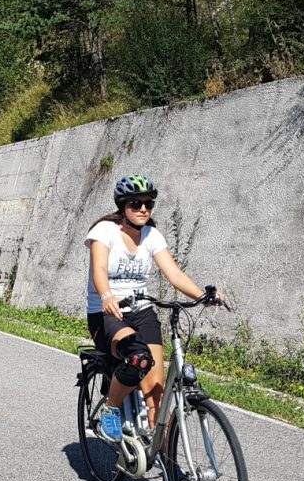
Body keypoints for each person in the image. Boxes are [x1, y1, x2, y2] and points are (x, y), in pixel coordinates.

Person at [86, 174, 224, 442]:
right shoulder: (104, 231)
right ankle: (111, 409)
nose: (143, 209)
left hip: (142, 311)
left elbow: (174, 274)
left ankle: (167, 463)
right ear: (123, 206)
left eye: (148, 204)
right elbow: (99, 268)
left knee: (157, 396)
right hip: (107, 313)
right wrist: (106, 295)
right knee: (138, 358)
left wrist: (203, 296)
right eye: (136, 204)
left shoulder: (152, 235)